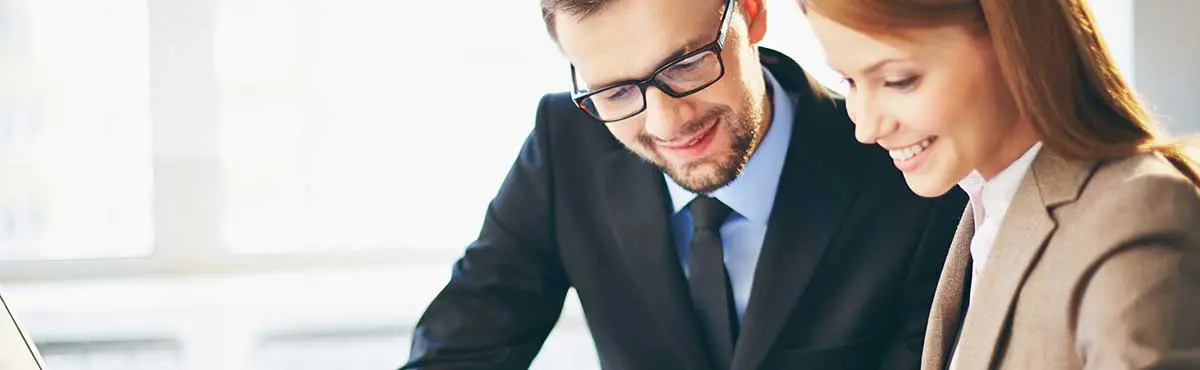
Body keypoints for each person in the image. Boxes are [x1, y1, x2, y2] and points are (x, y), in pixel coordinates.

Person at [400, 0, 966, 369]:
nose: (668, 124)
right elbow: (459, 350)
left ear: (751, 14)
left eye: (686, 64)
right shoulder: (565, 145)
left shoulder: (905, 167)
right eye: (617, 92)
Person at [799, 0, 1200, 369]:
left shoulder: (1133, 216)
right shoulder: (985, 202)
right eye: (848, 81)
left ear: (1015, 42)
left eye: (899, 80)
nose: (866, 129)